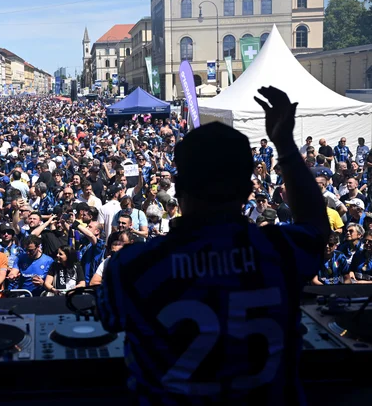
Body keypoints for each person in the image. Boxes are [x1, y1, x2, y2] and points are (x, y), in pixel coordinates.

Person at [97, 87, 329, 405]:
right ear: (247, 191)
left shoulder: (132, 266)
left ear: (179, 190)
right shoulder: (281, 251)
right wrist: (285, 145)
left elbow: (110, 321)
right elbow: (316, 225)